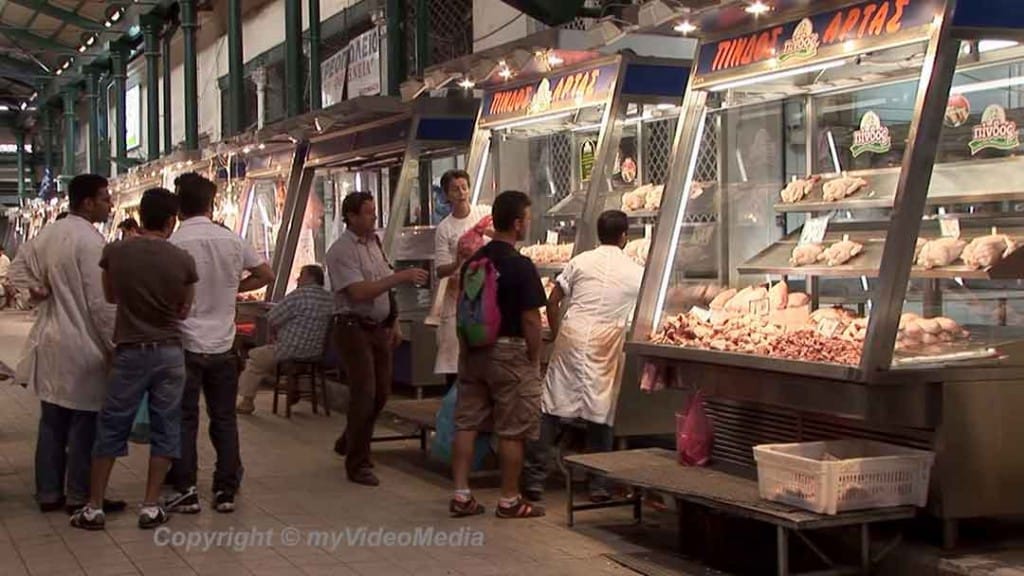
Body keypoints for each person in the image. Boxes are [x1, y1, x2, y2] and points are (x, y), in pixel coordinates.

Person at [70, 188, 197, 531]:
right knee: (166, 426)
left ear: (140, 216)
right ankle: (151, 506)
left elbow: (110, 296)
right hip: (169, 352)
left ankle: (94, 506)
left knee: (112, 424)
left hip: (129, 351)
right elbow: (185, 310)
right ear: (172, 221)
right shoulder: (183, 259)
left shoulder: (115, 253)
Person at [7, 174, 126, 515]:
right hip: (83, 345)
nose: (110, 205)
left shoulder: (49, 234)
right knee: (85, 425)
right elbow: (101, 302)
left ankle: (48, 493)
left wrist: (35, 289)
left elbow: (15, 270)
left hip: (51, 341)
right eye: (105, 199)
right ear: (87, 202)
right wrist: (115, 345)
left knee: (52, 423)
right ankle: (78, 495)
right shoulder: (90, 243)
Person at [164, 172, 274, 514]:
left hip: (185, 344)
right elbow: (265, 274)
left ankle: (186, 488)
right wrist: (233, 288)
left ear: (178, 206)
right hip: (224, 345)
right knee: (223, 418)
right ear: (211, 203)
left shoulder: (175, 244)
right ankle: (225, 489)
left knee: (185, 419)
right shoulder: (231, 240)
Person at [523, 210, 644, 502]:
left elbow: (553, 301)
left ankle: (535, 479)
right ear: (624, 237)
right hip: (607, 341)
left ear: (598, 235)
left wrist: (557, 332)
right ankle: (598, 485)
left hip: (573, 335)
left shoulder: (580, 261)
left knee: (551, 405)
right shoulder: (636, 272)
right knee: (600, 412)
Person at [450, 190, 547, 519]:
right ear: (517, 224)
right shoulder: (520, 265)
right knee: (512, 428)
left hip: (474, 350)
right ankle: (509, 499)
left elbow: (462, 307)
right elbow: (532, 319)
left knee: (466, 423)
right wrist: (534, 358)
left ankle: (461, 494)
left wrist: (464, 353)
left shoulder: (475, 262)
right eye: (527, 219)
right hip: (510, 353)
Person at [326, 191, 427, 486]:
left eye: (374, 212)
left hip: (378, 327)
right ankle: (358, 462)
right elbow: (359, 292)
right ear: (351, 216)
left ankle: (350, 438)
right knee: (365, 392)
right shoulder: (341, 251)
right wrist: (402, 277)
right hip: (352, 327)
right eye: (368, 213)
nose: (373, 218)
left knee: (382, 392)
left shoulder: (375, 244)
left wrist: (394, 319)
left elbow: (385, 286)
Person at [236, 265, 334, 415]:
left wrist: (278, 330)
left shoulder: (299, 295)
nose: (298, 278)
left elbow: (273, 317)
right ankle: (293, 386)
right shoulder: (329, 299)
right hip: (316, 352)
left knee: (255, 358)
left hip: (290, 349)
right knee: (282, 355)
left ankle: (247, 402)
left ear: (310, 278)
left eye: (301, 275)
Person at [432, 169, 491, 387]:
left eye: (464, 187)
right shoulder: (445, 228)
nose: (461, 193)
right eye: (455, 189)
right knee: (455, 360)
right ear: (446, 195)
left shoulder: (484, 213)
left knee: (482, 355)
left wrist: (481, 233)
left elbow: (501, 236)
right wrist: (458, 261)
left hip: (486, 296)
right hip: (458, 296)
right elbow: (440, 269)